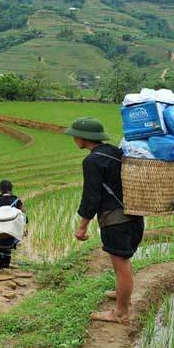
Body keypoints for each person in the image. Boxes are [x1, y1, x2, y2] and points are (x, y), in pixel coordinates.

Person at [65, 117, 144, 324]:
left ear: (84, 138)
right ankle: (120, 294)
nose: (73, 138)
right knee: (123, 263)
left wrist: (82, 226)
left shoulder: (92, 161)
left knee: (121, 265)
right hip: (134, 217)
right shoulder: (115, 152)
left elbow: (92, 197)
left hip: (115, 221)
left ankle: (121, 313)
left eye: (75, 135)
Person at [0, 180, 26, 270]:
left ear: (0, 189)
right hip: (11, 229)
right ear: (11, 189)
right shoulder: (16, 201)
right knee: (8, 248)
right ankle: (6, 266)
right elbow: (23, 213)